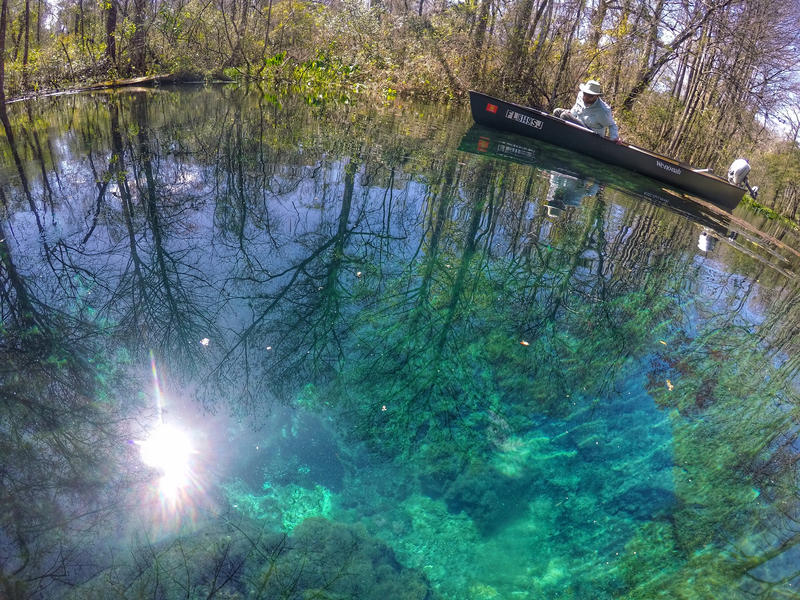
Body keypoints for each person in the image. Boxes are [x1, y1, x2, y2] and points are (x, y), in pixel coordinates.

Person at [553, 80, 621, 142]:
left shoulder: (603, 110)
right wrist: (570, 113)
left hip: (591, 136)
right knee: (557, 111)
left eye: (590, 95)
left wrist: (614, 138)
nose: (585, 97)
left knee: (564, 116)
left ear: (597, 96)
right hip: (578, 123)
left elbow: (612, 125)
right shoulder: (580, 95)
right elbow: (575, 110)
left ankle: (563, 138)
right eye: (585, 93)